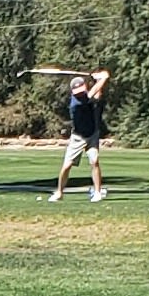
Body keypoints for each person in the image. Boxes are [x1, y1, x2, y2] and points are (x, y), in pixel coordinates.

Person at [51, 69, 111, 201]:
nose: (79, 94)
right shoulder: (76, 103)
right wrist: (103, 78)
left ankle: (97, 192)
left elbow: (97, 95)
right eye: (76, 93)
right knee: (67, 166)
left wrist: (98, 80)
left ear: (84, 88)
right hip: (78, 137)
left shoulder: (87, 96)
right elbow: (93, 93)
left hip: (92, 134)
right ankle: (59, 192)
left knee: (94, 161)